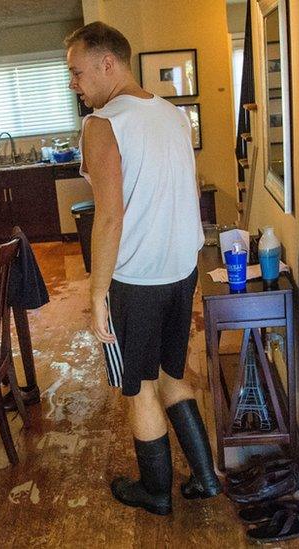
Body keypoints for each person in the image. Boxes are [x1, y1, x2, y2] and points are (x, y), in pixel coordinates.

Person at [65, 22, 222, 516]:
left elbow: (109, 217)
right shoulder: (174, 115)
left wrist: (95, 296)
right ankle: (205, 478)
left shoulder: (103, 124)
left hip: (136, 279)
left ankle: (156, 492)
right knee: (172, 373)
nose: (73, 83)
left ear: (106, 63)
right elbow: (190, 192)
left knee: (139, 388)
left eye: (77, 72)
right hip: (181, 269)